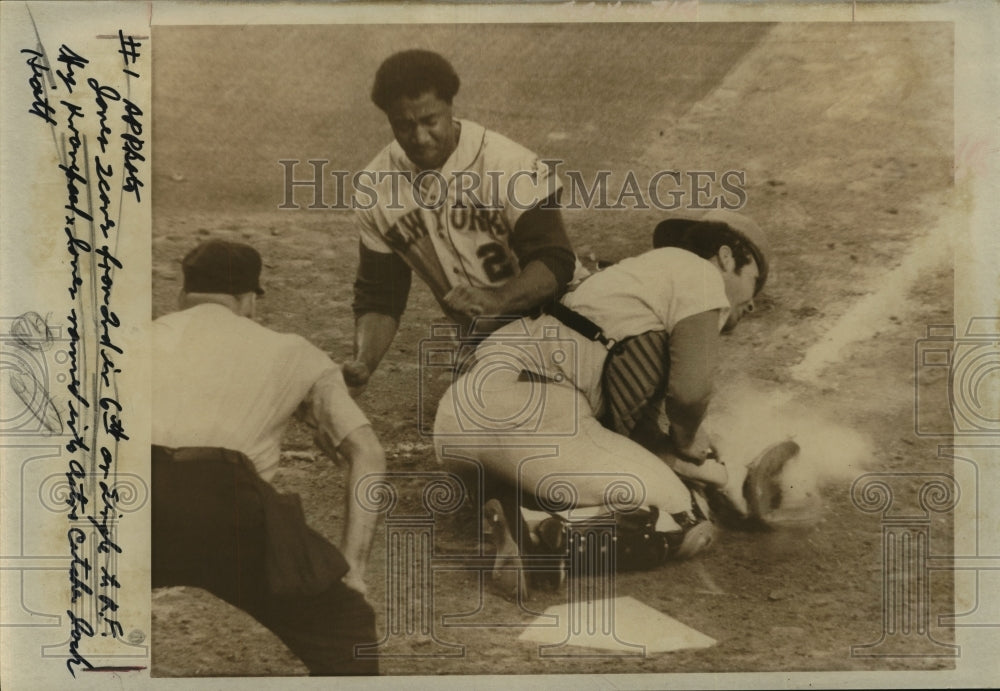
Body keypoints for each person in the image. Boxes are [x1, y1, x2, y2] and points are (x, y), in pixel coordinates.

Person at [433, 210, 793, 589]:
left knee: (629, 475)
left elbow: (636, 439)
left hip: (464, 424)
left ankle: (509, 499)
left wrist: (716, 475)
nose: (753, 304)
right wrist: (689, 440)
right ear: (724, 256)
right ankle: (534, 538)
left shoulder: (630, 290)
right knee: (683, 516)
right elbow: (690, 394)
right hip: (527, 419)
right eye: (755, 280)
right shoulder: (699, 274)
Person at [151, 240, 385, 675]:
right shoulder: (294, 351)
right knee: (345, 626)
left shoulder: (129, 338)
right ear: (249, 302)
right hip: (225, 508)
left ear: (181, 297)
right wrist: (353, 567)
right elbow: (367, 452)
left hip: (125, 496)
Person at [344, 49, 584, 394]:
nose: (420, 137)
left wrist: (497, 301)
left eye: (430, 121)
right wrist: (364, 361)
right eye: (405, 125)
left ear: (450, 107)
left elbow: (555, 260)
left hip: (565, 312)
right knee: (486, 425)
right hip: (491, 337)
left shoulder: (506, 163)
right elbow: (381, 297)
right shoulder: (376, 187)